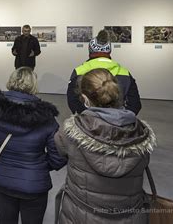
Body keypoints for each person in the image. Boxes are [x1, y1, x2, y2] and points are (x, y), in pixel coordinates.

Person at [55, 68, 156, 224]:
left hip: (80, 216)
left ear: (85, 99)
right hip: (130, 217)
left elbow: (60, 152)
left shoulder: (71, 131)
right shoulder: (140, 134)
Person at [0, 67, 67, 224]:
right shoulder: (46, 118)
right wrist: (40, 165)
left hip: (4, 180)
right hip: (35, 184)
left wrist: (2, 155)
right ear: (33, 85)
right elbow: (58, 156)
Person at [67, 29, 141, 115]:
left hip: (89, 124)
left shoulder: (79, 71)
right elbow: (134, 104)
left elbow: (73, 102)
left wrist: (86, 118)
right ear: (109, 51)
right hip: (119, 123)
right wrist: (122, 120)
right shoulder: (124, 72)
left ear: (90, 51)